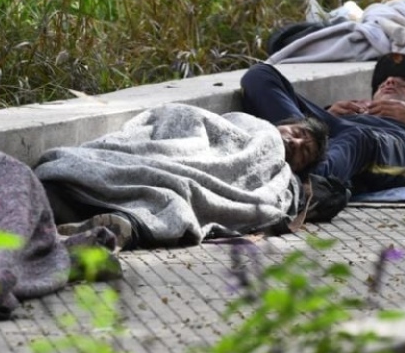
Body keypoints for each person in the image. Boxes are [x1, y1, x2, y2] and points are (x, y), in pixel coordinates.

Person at [35, 103, 329, 250]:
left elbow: (257, 192)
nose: (295, 143)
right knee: (135, 160)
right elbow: (190, 122)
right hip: (178, 145)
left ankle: (117, 225)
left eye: (304, 153)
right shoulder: (251, 122)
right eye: (299, 133)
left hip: (194, 173)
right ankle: (86, 206)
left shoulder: (281, 173)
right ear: (289, 122)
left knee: (178, 189)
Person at [240, 52, 405, 200]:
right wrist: (319, 121)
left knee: (360, 137)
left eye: (404, 84)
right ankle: (292, 142)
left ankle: (307, 189)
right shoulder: (355, 107)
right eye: (384, 82)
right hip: (336, 132)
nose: (391, 81)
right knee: (261, 75)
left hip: (394, 145)